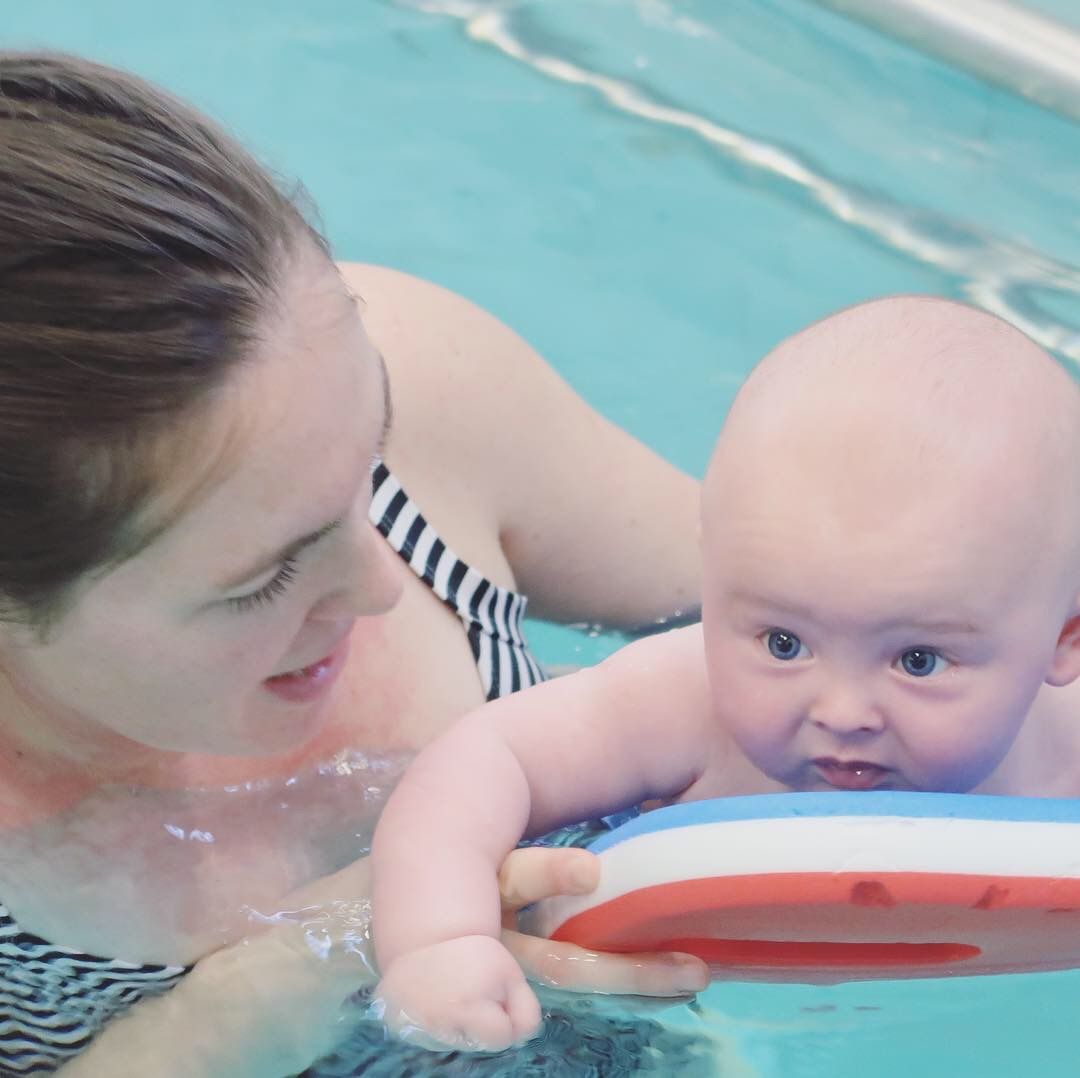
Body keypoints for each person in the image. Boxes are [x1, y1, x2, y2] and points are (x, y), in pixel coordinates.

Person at [0, 52, 708, 1077]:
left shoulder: (421, 387)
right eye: (262, 579)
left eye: (368, 465)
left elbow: (831, 623)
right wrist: (301, 967)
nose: (383, 581)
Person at [371, 294, 1080, 1052]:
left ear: (1064, 640)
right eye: (782, 643)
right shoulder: (681, 704)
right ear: (711, 576)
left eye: (917, 660)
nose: (841, 711)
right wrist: (439, 940)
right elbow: (482, 758)